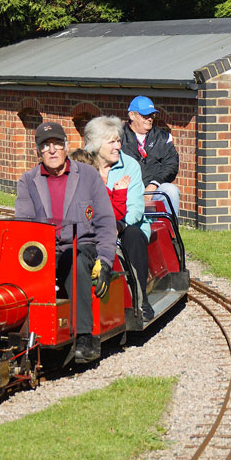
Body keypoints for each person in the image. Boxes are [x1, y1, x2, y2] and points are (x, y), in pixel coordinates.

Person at [15, 122, 117, 362]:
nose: (52, 150)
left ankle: (85, 336)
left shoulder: (88, 175)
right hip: (45, 251)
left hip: (83, 247)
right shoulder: (27, 181)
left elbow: (105, 221)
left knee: (78, 261)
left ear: (66, 146)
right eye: (45, 145)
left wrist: (105, 259)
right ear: (38, 151)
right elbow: (23, 224)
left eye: (57, 144)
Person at [84, 115, 154, 322]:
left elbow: (135, 208)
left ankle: (141, 299)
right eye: (111, 142)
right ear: (96, 145)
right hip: (94, 227)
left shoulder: (129, 165)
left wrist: (117, 226)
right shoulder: (84, 165)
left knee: (133, 235)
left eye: (118, 141)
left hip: (126, 226)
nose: (117, 146)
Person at [120, 95, 180, 216]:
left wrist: (154, 184)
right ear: (132, 115)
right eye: (144, 115)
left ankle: (169, 233)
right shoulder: (117, 136)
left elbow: (171, 166)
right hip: (125, 188)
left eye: (152, 115)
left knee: (171, 190)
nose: (149, 119)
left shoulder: (163, 137)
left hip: (153, 188)